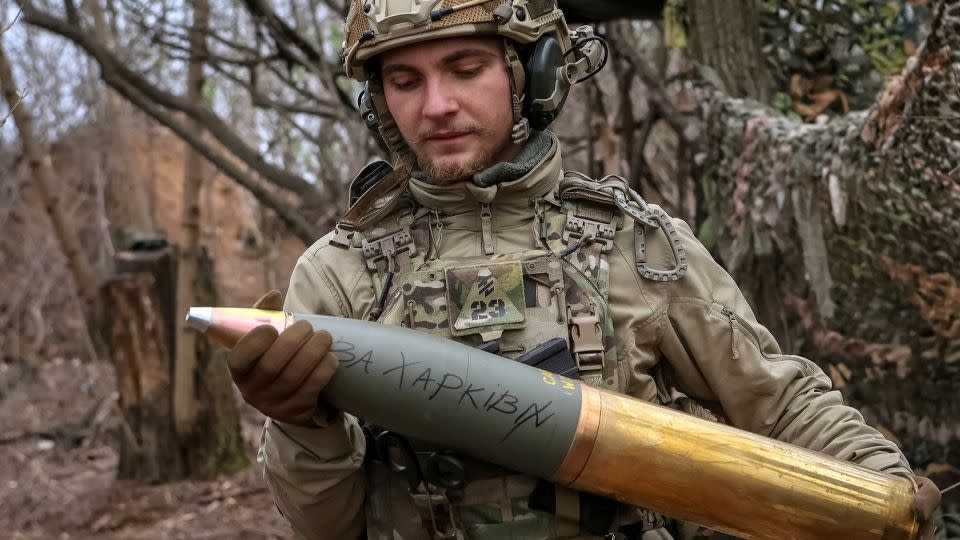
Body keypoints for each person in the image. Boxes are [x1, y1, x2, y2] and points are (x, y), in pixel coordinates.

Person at [225, 1, 941, 538]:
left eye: (465, 69)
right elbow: (326, 526)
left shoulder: (637, 243)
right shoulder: (339, 273)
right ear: (379, 102)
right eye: (405, 81)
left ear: (531, 72)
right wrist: (302, 426)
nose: (436, 105)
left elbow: (776, 398)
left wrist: (883, 487)